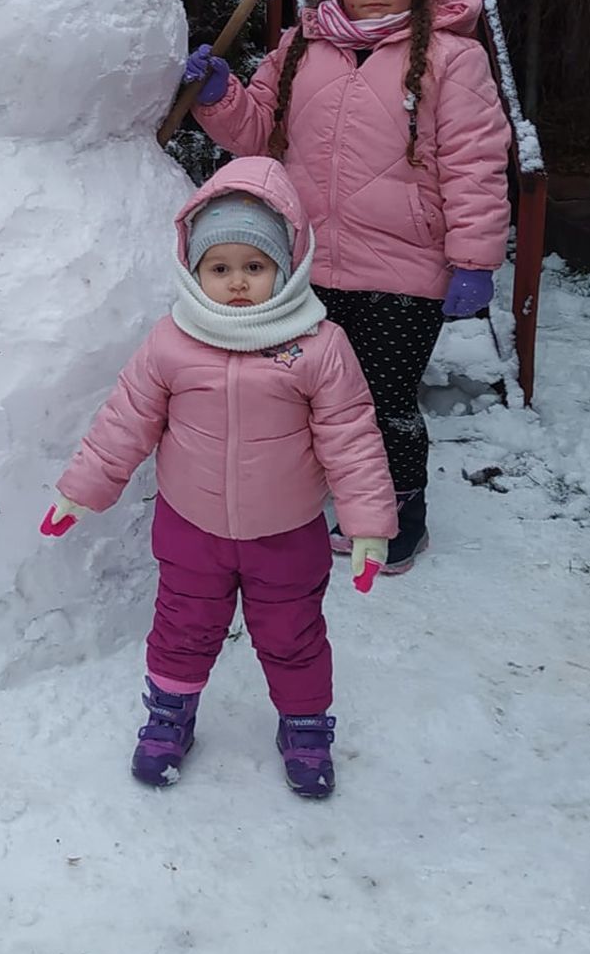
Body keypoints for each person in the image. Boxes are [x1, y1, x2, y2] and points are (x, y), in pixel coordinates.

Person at [183, 0, 511, 574]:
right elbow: (256, 134)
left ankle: (398, 522)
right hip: (309, 266)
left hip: (405, 269)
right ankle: (311, 500)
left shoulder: (455, 59)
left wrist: (474, 259)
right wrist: (217, 96)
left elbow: (477, 164)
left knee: (384, 402)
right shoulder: (305, 45)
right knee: (310, 395)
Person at [43, 160, 396, 797]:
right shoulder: (172, 341)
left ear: (285, 268)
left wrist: (369, 524)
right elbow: (127, 420)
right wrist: (82, 489)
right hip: (192, 529)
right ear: (194, 271)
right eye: (220, 267)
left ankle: (306, 726)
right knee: (182, 627)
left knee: (293, 636)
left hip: (286, 533)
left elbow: (352, 439)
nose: (237, 283)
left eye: (254, 267)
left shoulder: (318, 346)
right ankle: (169, 718)